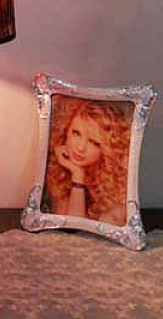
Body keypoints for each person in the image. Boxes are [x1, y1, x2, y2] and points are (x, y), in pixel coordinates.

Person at [42, 96, 133, 226]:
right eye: (76, 133)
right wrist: (78, 175)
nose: (80, 148)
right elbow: (72, 225)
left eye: (94, 142)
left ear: (107, 148)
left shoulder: (118, 183)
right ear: (66, 130)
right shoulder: (59, 172)